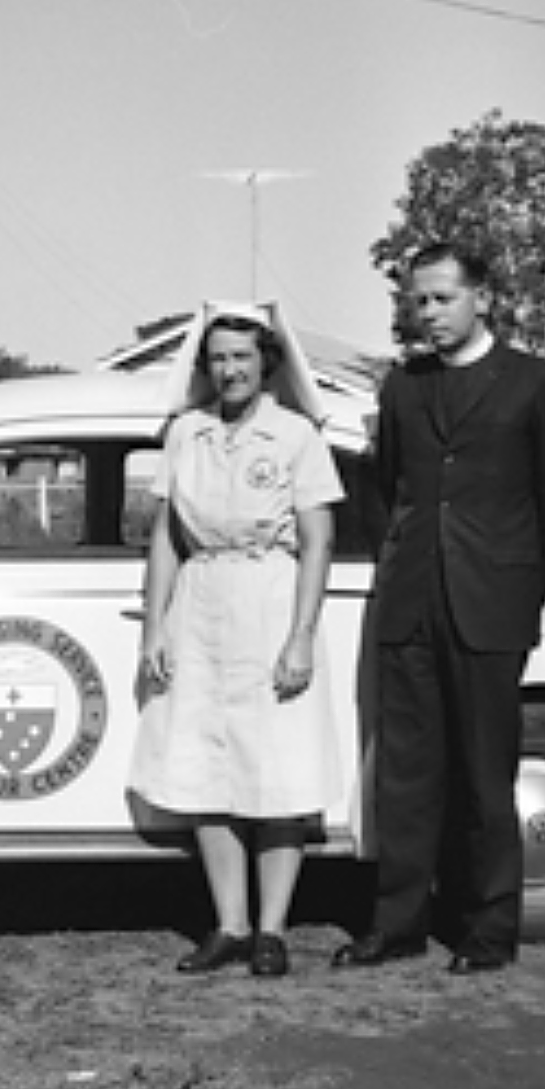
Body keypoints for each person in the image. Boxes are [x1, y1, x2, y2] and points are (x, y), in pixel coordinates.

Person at [337, 243, 545, 975]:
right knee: (406, 774)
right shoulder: (404, 387)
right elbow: (383, 491)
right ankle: (399, 924)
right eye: (418, 301)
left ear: (482, 297)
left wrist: (518, 589)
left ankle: (487, 931)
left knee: (484, 774)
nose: (428, 314)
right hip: (410, 604)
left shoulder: (537, 385)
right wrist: (404, 561)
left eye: (442, 299)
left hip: (491, 609)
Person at [130, 304, 345, 979]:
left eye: (242, 357)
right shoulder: (186, 433)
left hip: (270, 597)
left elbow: (318, 542)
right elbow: (166, 536)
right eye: (218, 358)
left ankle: (273, 931)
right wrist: (154, 625)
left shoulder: (295, 436)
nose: (230, 369)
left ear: (266, 363)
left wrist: (301, 637)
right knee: (208, 768)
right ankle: (228, 925)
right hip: (201, 601)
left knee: (273, 769)